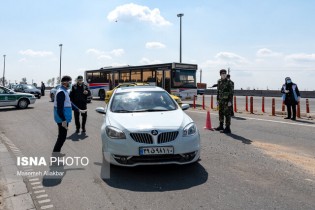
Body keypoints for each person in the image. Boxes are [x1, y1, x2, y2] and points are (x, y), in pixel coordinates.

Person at [53, 76, 85, 154]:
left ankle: (57, 153)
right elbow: (60, 108)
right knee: (62, 137)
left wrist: (78, 109)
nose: (71, 84)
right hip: (62, 119)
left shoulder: (64, 91)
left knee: (62, 137)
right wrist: (63, 120)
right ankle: (55, 156)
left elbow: (69, 103)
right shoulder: (61, 92)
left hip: (63, 118)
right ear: (65, 83)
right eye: (69, 82)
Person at [215, 69, 234, 133]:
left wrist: (230, 101)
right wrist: (217, 100)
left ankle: (228, 128)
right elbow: (218, 91)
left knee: (227, 114)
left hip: (227, 101)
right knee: (220, 113)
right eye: (222, 73)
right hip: (220, 101)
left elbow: (231, 92)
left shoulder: (229, 82)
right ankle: (221, 126)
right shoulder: (219, 81)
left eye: (224, 73)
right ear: (220, 74)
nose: (223, 74)